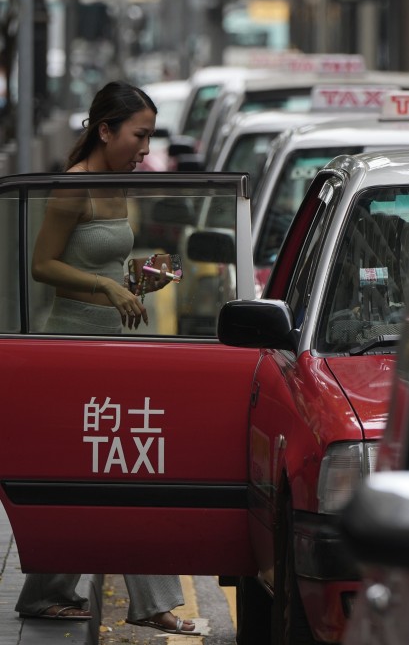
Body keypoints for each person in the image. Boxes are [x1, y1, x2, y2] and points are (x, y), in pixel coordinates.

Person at [15, 81, 199, 637]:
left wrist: (140, 282)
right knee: (115, 466)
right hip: (70, 345)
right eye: (139, 136)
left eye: (148, 137)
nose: (146, 149)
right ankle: (69, 596)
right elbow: (42, 266)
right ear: (105, 129)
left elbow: (108, 274)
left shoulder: (119, 184)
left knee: (121, 465)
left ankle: (63, 594)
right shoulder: (74, 188)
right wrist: (107, 286)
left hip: (110, 345)